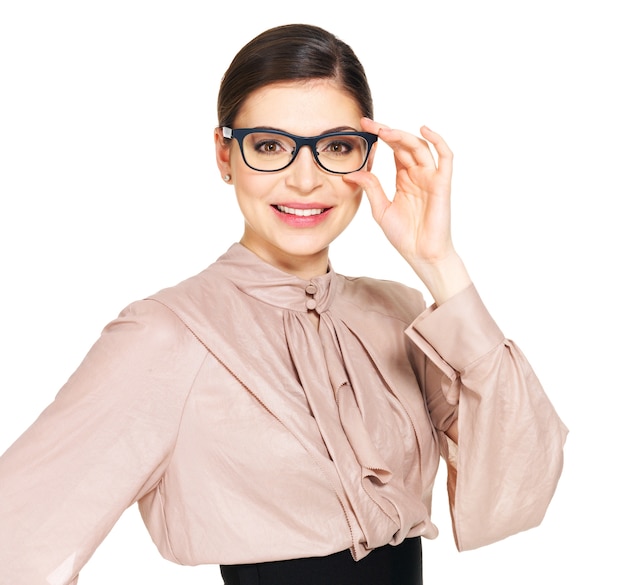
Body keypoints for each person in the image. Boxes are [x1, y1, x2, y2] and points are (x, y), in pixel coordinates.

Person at [0, 23, 567, 585]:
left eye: (336, 147)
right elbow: (17, 541)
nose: (304, 179)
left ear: (367, 159)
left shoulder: (400, 312)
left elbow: (523, 482)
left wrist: (440, 264)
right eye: (269, 146)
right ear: (225, 155)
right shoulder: (168, 333)